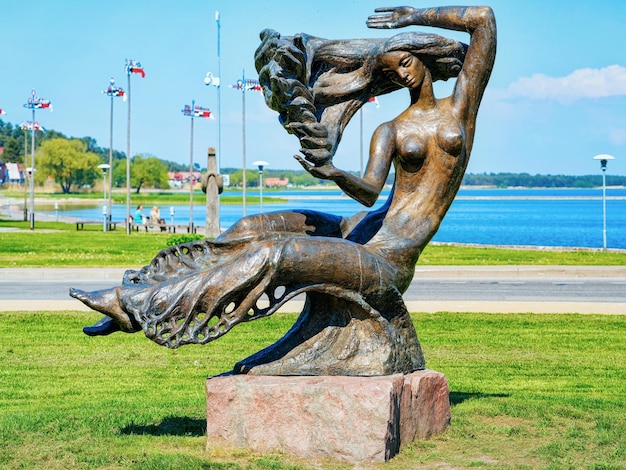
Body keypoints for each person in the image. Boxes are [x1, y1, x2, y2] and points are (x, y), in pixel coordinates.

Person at [74, 6, 495, 375]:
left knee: (276, 254)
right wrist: (333, 172)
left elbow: (483, 21)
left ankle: (135, 307)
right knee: (253, 227)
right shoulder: (391, 130)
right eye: (393, 69)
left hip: (388, 257)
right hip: (361, 228)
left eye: (406, 62)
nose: (403, 73)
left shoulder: (460, 109)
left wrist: (412, 17)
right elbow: (369, 192)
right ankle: (143, 286)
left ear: (422, 59)